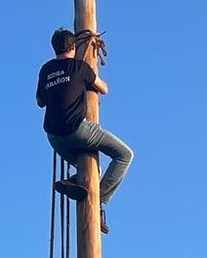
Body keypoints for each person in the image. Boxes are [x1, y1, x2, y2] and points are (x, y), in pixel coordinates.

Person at [35, 28, 134, 233]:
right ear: (73, 47)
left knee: (91, 169)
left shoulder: (45, 70)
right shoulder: (80, 67)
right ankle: (100, 199)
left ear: (54, 48)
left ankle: (75, 181)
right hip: (77, 130)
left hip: (54, 136)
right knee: (124, 154)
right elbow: (104, 89)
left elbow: (39, 101)